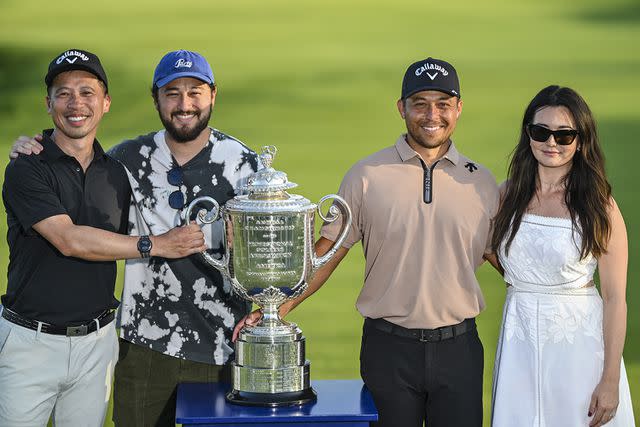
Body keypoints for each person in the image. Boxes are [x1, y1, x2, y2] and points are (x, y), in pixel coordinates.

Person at [236, 57, 500, 427]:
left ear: (458, 108)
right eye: (419, 103)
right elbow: (327, 254)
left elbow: (501, 257)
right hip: (389, 349)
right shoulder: (365, 175)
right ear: (401, 108)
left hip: (459, 349)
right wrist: (273, 310)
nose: (431, 115)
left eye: (442, 104)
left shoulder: (481, 183)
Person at [11, 49, 260, 426]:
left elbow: (272, 254)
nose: (184, 104)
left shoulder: (246, 165)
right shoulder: (126, 160)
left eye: (195, 91)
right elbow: (74, 181)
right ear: (156, 98)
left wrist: (274, 311)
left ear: (212, 95)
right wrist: (28, 147)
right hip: (141, 343)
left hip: (221, 343)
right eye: (172, 92)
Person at [488, 86, 635, 427]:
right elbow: (479, 250)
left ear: (581, 140)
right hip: (518, 343)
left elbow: (615, 299)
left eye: (564, 135)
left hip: (579, 350)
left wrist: (609, 378)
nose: (551, 143)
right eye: (541, 132)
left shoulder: (600, 205)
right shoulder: (507, 194)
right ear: (528, 135)